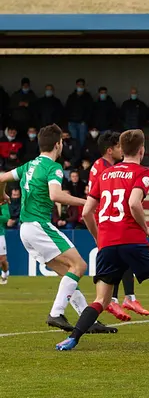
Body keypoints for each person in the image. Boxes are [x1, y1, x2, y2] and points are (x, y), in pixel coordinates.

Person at [54, 129, 149, 351]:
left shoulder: (104, 174)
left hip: (107, 243)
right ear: (142, 149)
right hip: (132, 240)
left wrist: (100, 239)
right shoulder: (142, 172)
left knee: (101, 300)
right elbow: (134, 203)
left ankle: (72, 338)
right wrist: (145, 227)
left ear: (121, 149)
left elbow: (87, 212)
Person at [0, 124, 114, 333]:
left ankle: (87, 320)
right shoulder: (53, 167)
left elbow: (1, 178)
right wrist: (87, 202)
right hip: (39, 226)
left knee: (67, 271)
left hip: (25, 229)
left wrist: (2, 195)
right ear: (58, 144)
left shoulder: (29, 165)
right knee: (79, 266)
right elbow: (55, 195)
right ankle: (56, 313)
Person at [87, 131, 149, 321]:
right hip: (109, 220)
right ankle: (116, 299)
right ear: (110, 150)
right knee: (121, 256)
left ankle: (124, 298)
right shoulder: (103, 168)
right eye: (117, 147)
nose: (121, 150)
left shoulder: (108, 167)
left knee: (123, 258)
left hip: (110, 219)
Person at [65, 78, 93, 146]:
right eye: (78, 85)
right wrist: (68, 120)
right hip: (72, 122)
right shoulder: (71, 97)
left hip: (82, 123)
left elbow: (90, 110)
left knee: (82, 141)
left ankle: (81, 156)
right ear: (76, 85)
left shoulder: (88, 97)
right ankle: (75, 156)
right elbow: (67, 109)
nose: (80, 86)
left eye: (81, 85)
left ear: (84, 86)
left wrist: (85, 120)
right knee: (73, 141)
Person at [0, 200, 9, 284]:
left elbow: (6, 217)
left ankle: (5, 273)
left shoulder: (2, 201)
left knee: (2, 260)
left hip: (0, 234)